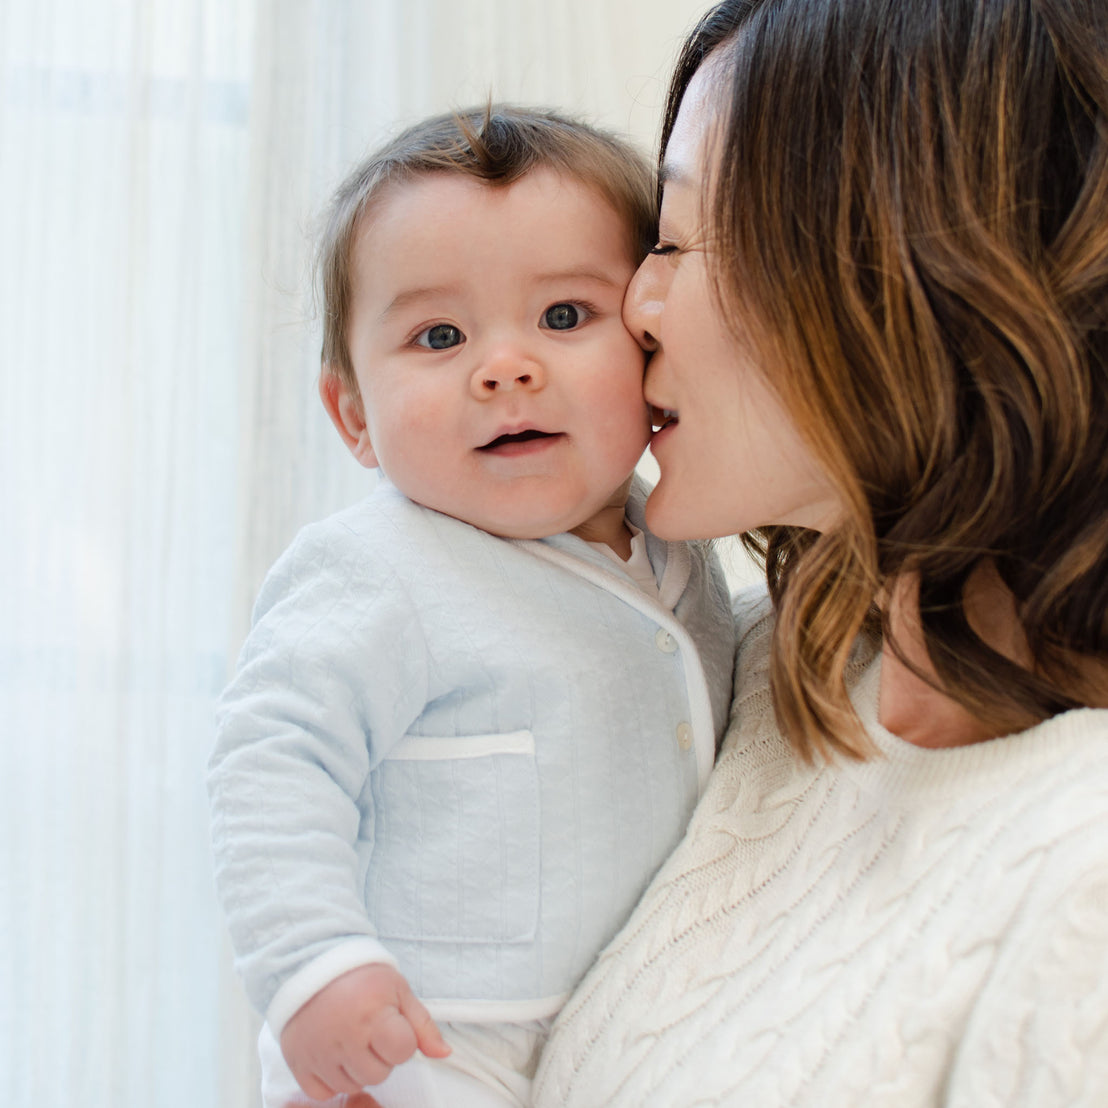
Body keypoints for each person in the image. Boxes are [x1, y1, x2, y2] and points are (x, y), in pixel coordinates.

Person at [532, 0, 1108, 1104]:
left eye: (677, 239)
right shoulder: (750, 674)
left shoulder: (1078, 875)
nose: (632, 307)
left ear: (909, 263)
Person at [207, 105, 736, 1108]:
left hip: (625, 1016)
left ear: (652, 349)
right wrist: (316, 961)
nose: (506, 366)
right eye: (440, 335)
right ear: (354, 416)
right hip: (424, 1030)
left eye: (565, 317)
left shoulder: (674, 536)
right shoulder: (377, 569)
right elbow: (271, 764)